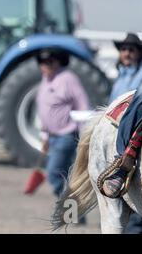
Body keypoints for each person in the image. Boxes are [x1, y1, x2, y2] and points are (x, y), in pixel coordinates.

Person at [106, 33, 142, 233]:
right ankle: (123, 161)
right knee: (140, 99)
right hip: (118, 129)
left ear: (139, 53)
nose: (127, 53)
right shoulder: (121, 76)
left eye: (132, 49)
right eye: (124, 49)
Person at [35, 49, 90, 197]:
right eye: (42, 62)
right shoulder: (45, 80)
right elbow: (43, 109)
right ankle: (74, 212)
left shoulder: (68, 78)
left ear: (58, 62)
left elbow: (83, 105)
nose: (45, 65)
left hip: (66, 136)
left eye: (49, 61)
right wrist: (45, 136)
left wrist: (84, 138)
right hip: (52, 137)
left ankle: (68, 208)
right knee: (65, 176)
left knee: (53, 173)